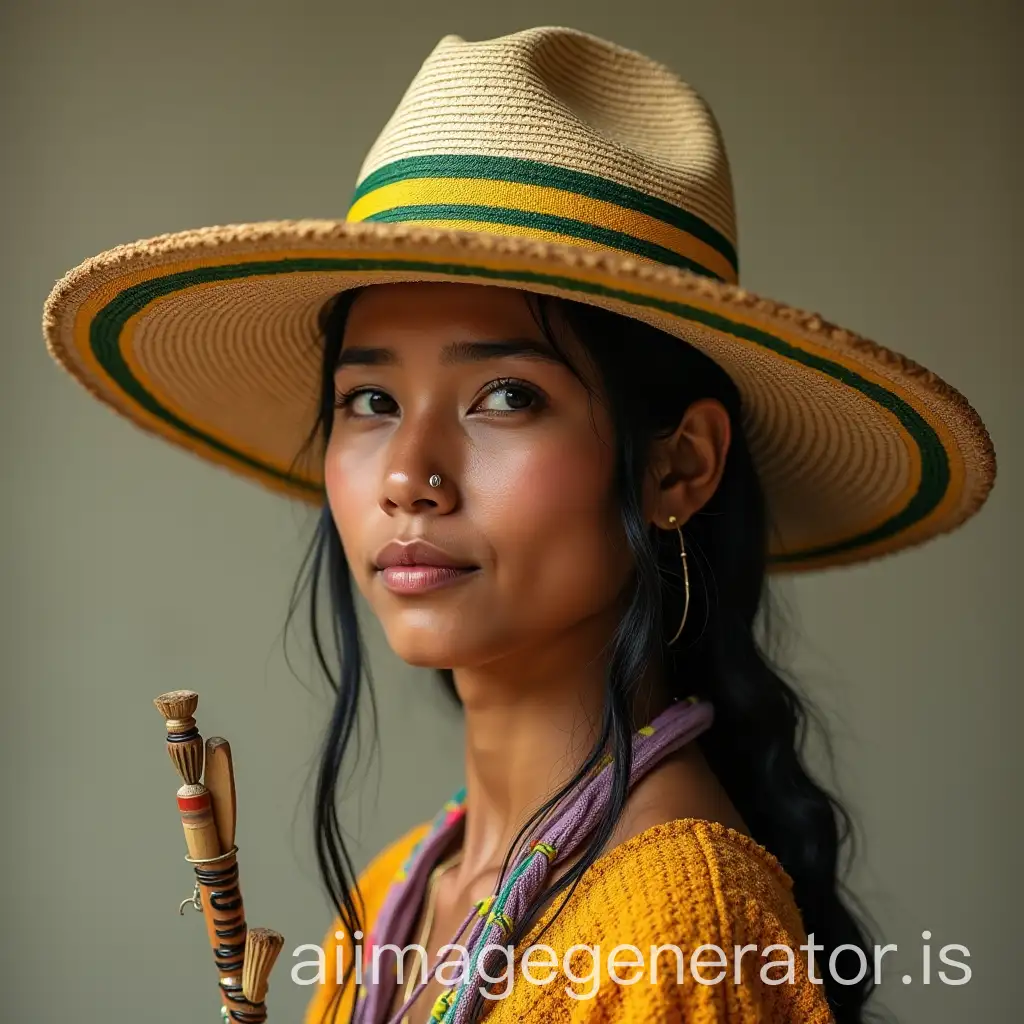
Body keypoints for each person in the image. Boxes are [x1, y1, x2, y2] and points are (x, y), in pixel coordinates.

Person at [42, 24, 995, 1024]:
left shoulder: (676, 934)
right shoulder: (391, 898)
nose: (408, 475)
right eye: (368, 402)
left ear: (678, 465)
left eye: (504, 395)